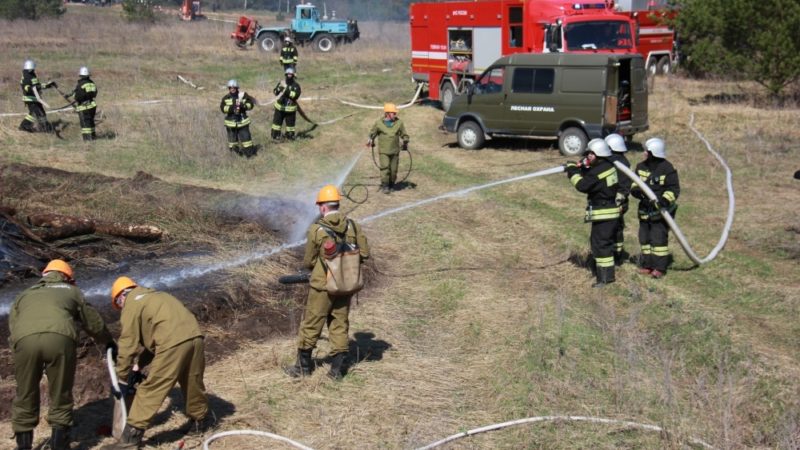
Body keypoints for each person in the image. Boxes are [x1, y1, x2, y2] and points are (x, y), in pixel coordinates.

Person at [9, 260, 115, 450]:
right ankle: (60, 445)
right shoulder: (71, 291)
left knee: (25, 394)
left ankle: (23, 446)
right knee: (60, 393)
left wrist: (18, 347)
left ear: (45, 274)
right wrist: (108, 341)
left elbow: (13, 325)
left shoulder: (24, 294)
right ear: (67, 277)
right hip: (60, 339)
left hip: (24, 341)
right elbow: (93, 322)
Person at [104, 277, 211, 449]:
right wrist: (140, 364)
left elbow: (127, 344)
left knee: (151, 389)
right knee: (193, 381)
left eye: (119, 305)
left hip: (172, 343)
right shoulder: (158, 296)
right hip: (195, 336)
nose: (121, 308)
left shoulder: (131, 304)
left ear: (120, 297)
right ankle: (200, 422)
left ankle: (129, 440)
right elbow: (160, 335)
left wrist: (122, 377)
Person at [284, 185, 370, 380]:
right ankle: (337, 371)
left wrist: (321, 267)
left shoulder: (317, 229)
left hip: (322, 287)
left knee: (312, 323)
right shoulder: (353, 226)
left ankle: (303, 368)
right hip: (345, 285)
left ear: (322, 207)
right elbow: (364, 254)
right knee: (339, 324)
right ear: (337, 203)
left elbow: (308, 261)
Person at [564, 139, 621, 287]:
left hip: (604, 213)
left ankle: (604, 279)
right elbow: (594, 178)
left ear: (599, 154)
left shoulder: (600, 171)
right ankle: (604, 275)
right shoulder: (606, 166)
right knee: (601, 244)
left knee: (600, 245)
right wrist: (583, 167)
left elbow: (583, 185)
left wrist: (573, 172)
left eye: (591, 153)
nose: (588, 156)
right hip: (607, 211)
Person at [630, 137, 680, 279]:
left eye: (648, 151)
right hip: (645, 210)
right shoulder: (641, 167)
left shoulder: (667, 168)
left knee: (658, 241)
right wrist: (637, 191)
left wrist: (664, 200)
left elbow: (674, 189)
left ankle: (659, 268)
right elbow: (634, 184)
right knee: (644, 239)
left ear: (655, 152)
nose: (645, 153)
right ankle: (647, 265)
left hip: (661, 212)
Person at [367, 103, 410, 194]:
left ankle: (391, 184)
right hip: (384, 151)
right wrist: (371, 140)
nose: (395, 115)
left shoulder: (399, 123)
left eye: (395, 113)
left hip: (395, 151)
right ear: (387, 113)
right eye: (393, 113)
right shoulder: (379, 123)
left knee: (393, 170)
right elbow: (372, 134)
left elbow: (404, 134)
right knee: (385, 168)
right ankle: (385, 185)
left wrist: (405, 140)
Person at [605, 133, 631, 265]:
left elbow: (625, 184)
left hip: (617, 201)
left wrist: (619, 199)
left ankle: (615, 254)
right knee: (615, 228)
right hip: (616, 200)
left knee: (613, 228)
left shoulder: (618, 162)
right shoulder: (618, 160)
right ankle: (615, 253)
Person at [220, 79, 258, 157]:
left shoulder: (243, 95)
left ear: (237, 88)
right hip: (231, 123)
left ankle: (250, 155)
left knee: (246, 140)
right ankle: (235, 155)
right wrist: (232, 109)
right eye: (230, 87)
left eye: (234, 87)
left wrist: (243, 106)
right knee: (232, 142)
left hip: (242, 122)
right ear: (228, 88)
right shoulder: (226, 98)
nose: (232, 89)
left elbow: (250, 105)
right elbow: (222, 108)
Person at [19, 59, 57, 133]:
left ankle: (45, 127)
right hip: (30, 99)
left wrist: (48, 85)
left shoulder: (32, 76)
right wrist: (32, 88)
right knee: (36, 113)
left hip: (36, 98)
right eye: (33, 68)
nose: (34, 70)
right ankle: (24, 126)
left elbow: (38, 86)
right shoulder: (27, 76)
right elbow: (26, 87)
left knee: (41, 113)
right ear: (30, 68)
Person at [66, 66, 98, 141]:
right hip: (92, 106)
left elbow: (78, 97)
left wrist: (73, 95)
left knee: (85, 125)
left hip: (84, 107)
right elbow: (95, 93)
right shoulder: (92, 83)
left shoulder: (81, 84)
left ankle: (87, 140)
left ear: (80, 75)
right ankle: (93, 137)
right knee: (91, 122)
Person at [271, 67, 301, 141]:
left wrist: (286, 90)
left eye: (291, 74)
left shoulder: (296, 86)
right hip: (279, 108)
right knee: (276, 125)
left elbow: (295, 96)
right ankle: (275, 136)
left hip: (290, 110)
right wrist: (278, 89)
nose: (289, 75)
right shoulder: (282, 83)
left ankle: (289, 137)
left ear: (293, 75)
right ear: (286, 74)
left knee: (290, 126)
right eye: (288, 74)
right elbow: (275, 92)